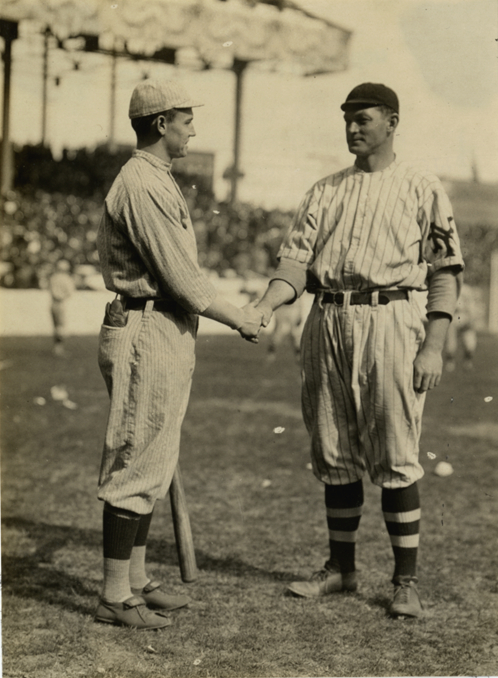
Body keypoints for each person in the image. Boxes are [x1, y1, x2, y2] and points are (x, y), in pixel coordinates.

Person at [256, 83, 464, 618]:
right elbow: (294, 264)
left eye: (363, 118)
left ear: (392, 122)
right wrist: (267, 304)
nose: (352, 127)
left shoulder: (423, 187)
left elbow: (444, 274)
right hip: (327, 317)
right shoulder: (324, 190)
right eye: (346, 118)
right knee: (333, 448)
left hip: (392, 319)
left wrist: (433, 347)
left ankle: (405, 581)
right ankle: (342, 569)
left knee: (396, 452)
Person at [95, 79, 264, 629]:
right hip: (147, 324)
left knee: (154, 459)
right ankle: (115, 595)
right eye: (186, 118)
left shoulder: (157, 178)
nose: (194, 127)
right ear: (161, 123)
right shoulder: (139, 184)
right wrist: (241, 317)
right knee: (136, 460)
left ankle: (137, 580)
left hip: (165, 326)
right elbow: (181, 278)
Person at [444, 283, 477, 371]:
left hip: (465, 315)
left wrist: (471, 317)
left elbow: (471, 304)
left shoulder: (467, 289)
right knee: (451, 341)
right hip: (454, 316)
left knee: (469, 341)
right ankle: (450, 362)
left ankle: (468, 361)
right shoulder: (449, 286)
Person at [48, 259, 75, 356]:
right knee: (61, 326)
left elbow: (52, 291)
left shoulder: (53, 277)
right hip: (61, 303)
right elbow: (70, 292)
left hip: (53, 303)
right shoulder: (67, 278)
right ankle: (59, 349)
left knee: (56, 326)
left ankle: (57, 348)